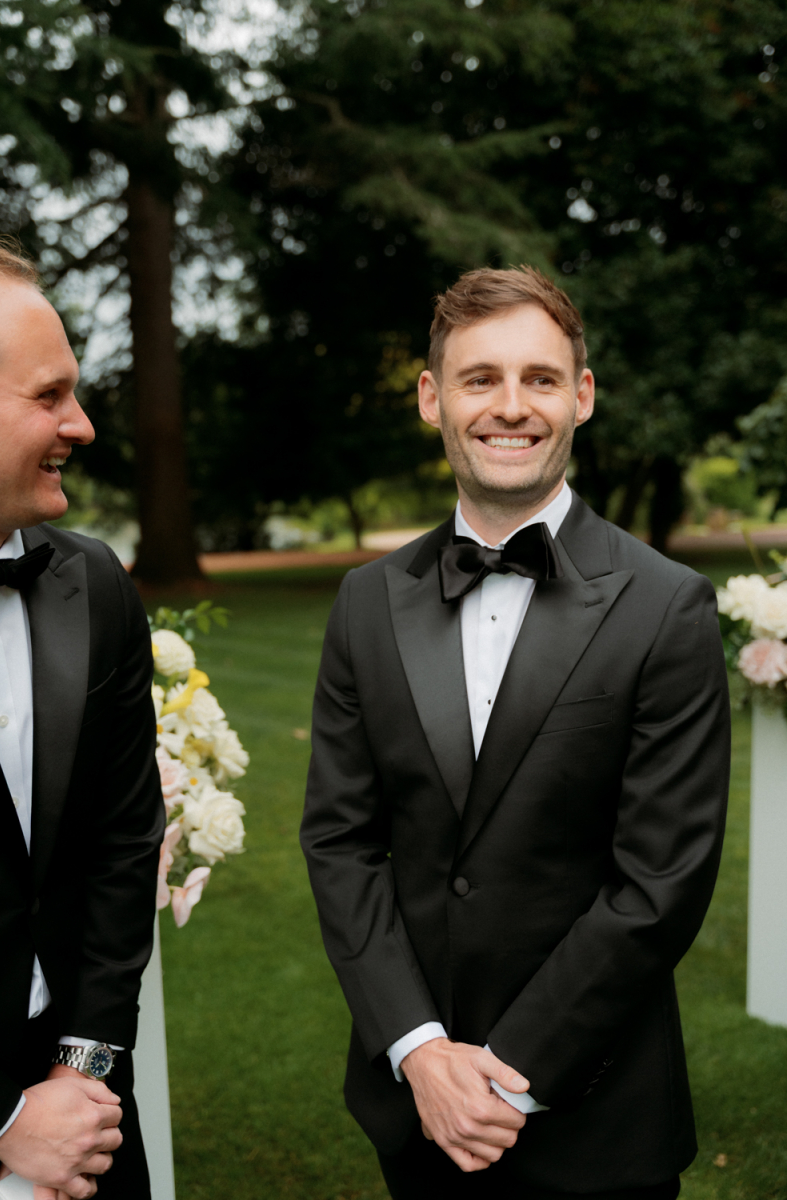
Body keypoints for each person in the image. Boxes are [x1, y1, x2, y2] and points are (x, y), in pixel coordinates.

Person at [301, 266, 730, 1199]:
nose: (511, 406)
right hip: (416, 1109)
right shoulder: (366, 603)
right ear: (432, 398)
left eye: (540, 378)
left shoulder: (668, 607)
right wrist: (419, 1054)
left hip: (598, 1113)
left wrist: (498, 1076)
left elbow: (660, 882)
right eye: (479, 378)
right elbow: (341, 842)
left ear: (581, 396)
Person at [0, 242, 164, 1199]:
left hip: (85, 1111)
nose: (82, 425)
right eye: (49, 396)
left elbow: (122, 846)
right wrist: (4, 1122)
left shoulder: (92, 583)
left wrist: (80, 1074)